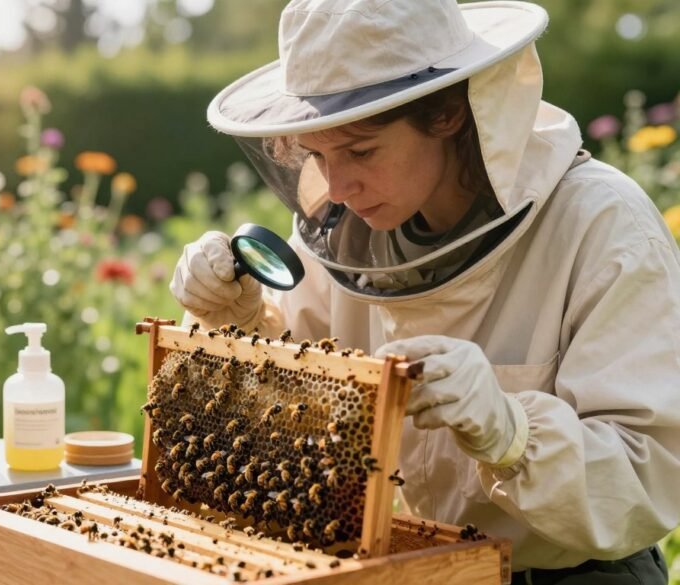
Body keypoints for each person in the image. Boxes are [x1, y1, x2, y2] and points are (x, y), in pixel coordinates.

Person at [170, 1, 680, 583]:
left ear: (446, 115)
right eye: (318, 154)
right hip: (414, 562)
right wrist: (237, 326)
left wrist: (513, 433)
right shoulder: (342, 229)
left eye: (360, 151)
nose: (337, 186)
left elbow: (650, 479)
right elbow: (288, 422)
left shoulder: (603, 224)